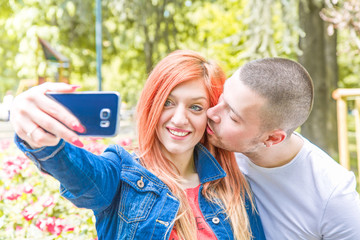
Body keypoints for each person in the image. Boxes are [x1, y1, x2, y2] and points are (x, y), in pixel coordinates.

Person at [10, 50, 266, 240]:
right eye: (167, 102)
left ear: (210, 114)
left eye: (195, 107)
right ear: (152, 105)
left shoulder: (234, 188)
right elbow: (80, 173)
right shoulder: (123, 174)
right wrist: (39, 137)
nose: (179, 118)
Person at [206, 57, 360, 240]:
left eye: (232, 116)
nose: (211, 113)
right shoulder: (207, 143)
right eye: (221, 99)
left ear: (272, 138)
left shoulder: (332, 196)